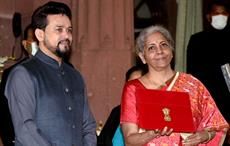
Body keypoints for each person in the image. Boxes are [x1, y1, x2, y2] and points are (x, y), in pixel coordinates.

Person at [4, 1, 96, 146]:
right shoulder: (23, 74)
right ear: (40, 34)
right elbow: (25, 130)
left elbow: (88, 126)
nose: (67, 35)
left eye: (69, 30)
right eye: (59, 29)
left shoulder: (75, 77)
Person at [120, 25, 229, 146]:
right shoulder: (133, 89)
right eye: (151, 48)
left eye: (164, 44)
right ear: (142, 57)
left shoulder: (192, 84)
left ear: (171, 51)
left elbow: (218, 125)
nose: (159, 51)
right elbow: (129, 140)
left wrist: (204, 135)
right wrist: (153, 132)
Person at [187, 0, 230, 121]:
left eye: (224, 13)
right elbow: (192, 73)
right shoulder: (197, 40)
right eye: (216, 13)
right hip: (208, 97)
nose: (220, 16)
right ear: (208, 16)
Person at [0, 24, 38, 146]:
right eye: (33, 39)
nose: (37, 43)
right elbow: (4, 114)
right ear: (24, 43)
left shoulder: (63, 70)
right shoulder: (11, 73)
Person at [97, 65, 147, 146]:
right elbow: (103, 140)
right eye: (130, 83)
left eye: (139, 83)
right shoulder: (117, 111)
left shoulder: (153, 113)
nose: (134, 88)